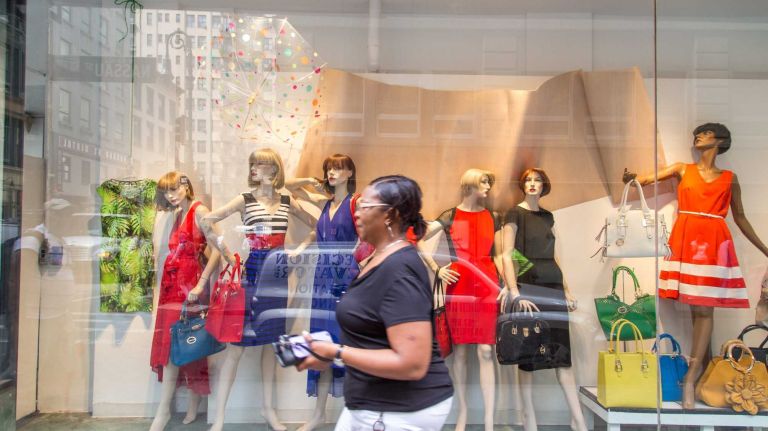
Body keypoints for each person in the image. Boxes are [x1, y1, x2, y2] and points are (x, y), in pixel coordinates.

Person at [624, 122, 768, 408]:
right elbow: (646, 179)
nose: (698, 136)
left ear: (720, 141)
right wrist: (632, 177)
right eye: (697, 134)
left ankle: (691, 378)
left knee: (703, 310)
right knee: (697, 311)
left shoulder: (730, 179)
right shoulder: (682, 169)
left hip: (714, 244)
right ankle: (701, 374)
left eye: (706, 133)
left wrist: (764, 249)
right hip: (687, 241)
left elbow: (740, 217)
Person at [296, 175, 454, 431]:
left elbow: (412, 363)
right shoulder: (377, 258)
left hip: (397, 411)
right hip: (369, 405)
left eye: (365, 206)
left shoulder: (400, 270)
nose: (356, 213)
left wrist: (336, 353)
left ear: (389, 216)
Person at [201, 148, 315, 431]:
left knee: (271, 344)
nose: (253, 168)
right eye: (252, 164)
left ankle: (268, 409)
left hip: (278, 274)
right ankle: (219, 417)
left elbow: (316, 226)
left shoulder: (286, 200)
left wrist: (298, 249)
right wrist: (226, 254)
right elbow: (206, 221)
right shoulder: (245, 199)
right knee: (236, 347)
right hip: (252, 273)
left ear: (273, 169)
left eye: (260, 163)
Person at [417, 168, 502, 431]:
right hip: (460, 286)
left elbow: (502, 254)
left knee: (486, 351)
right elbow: (416, 238)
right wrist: (436, 269)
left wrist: (508, 285)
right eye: (483, 182)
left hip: (487, 285)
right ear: (470, 185)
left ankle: (489, 420)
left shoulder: (493, 217)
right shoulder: (450, 216)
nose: (488, 186)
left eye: (488, 182)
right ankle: (463, 413)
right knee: (461, 352)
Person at [500, 168, 586, 431]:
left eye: (537, 180)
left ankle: (578, 420)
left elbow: (553, 256)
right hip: (529, 288)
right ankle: (529, 419)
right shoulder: (514, 213)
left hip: (554, 286)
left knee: (561, 352)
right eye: (528, 180)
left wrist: (567, 290)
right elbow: (507, 254)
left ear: (544, 185)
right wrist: (514, 291)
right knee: (528, 353)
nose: (532, 184)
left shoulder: (548, 216)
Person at [285, 154, 360, 431]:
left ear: (350, 172)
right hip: (322, 279)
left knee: (347, 345)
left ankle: (355, 415)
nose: (332, 173)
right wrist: (311, 180)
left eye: (338, 169)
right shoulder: (324, 203)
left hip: (346, 277)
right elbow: (287, 186)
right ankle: (318, 415)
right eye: (329, 169)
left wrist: (356, 266)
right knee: (322, 343)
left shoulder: (355, 203)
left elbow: (367, 237)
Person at [149, 172, 222, 431]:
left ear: (185, 186)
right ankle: (182, 404)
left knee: (190, 343)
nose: (170, 195)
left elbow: (218, 248)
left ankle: (166, 410)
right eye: (166, 191)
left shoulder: (199, 210)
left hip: (190, 288)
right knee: (178, 345)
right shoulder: (178, 213)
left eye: (174, 189)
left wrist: (201, 283)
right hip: (173, 287)